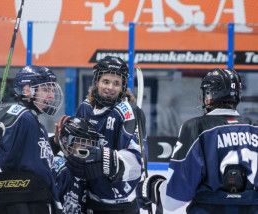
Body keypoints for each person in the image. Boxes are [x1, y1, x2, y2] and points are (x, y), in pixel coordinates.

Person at [141, 68, 258, 214]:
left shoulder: (196, 128)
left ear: (209, 95)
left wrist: (155, 187)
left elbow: (174, 199)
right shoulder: (255, 128)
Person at [57, 56, 142, 214]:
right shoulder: (85, 107)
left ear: (123, 86)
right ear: (97, 81)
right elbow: (76, 148)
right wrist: (62, 143)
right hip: (91, 199)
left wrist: (105, 158)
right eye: (106, 81)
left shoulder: (126, 112)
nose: (110, 87)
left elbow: (138, 163)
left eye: (116, 83)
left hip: (121, 205)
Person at [0, 65, 64, 214]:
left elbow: (31, 159)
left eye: (52, 90)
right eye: (46, 89)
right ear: (27, 90)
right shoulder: (20, 115)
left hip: (35, 199)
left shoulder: (32, 119)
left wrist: (54, 144)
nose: (52, 96)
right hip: (22, 201)